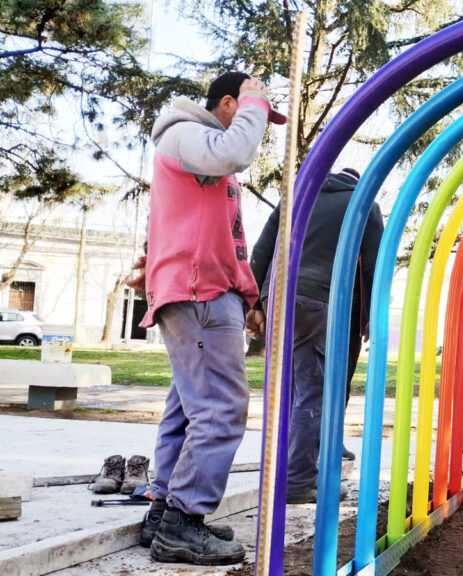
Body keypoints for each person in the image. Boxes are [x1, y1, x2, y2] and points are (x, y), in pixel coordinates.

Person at [137, 71, 285, 565]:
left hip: (208, 292)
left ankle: (165, 511)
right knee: (220, 408)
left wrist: (249, 294)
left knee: (189, 406)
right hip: (198, 294)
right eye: (248, 112)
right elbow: (235, 151)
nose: (257, 125)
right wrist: (256, 101)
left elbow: (218, 234)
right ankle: (183, 521)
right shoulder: (185, 135)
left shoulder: (198, 156)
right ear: (228, 103)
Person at [247, 168, 383, 504]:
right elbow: (372, 267)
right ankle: (297, 481)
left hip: (278, 296)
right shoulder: (363, 201)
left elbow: (263, 249)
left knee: (288, 389)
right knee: (313, 393)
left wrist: (254, 303)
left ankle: (284, 472)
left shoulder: (297, 196)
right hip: (318, 300)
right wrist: (369, 319)